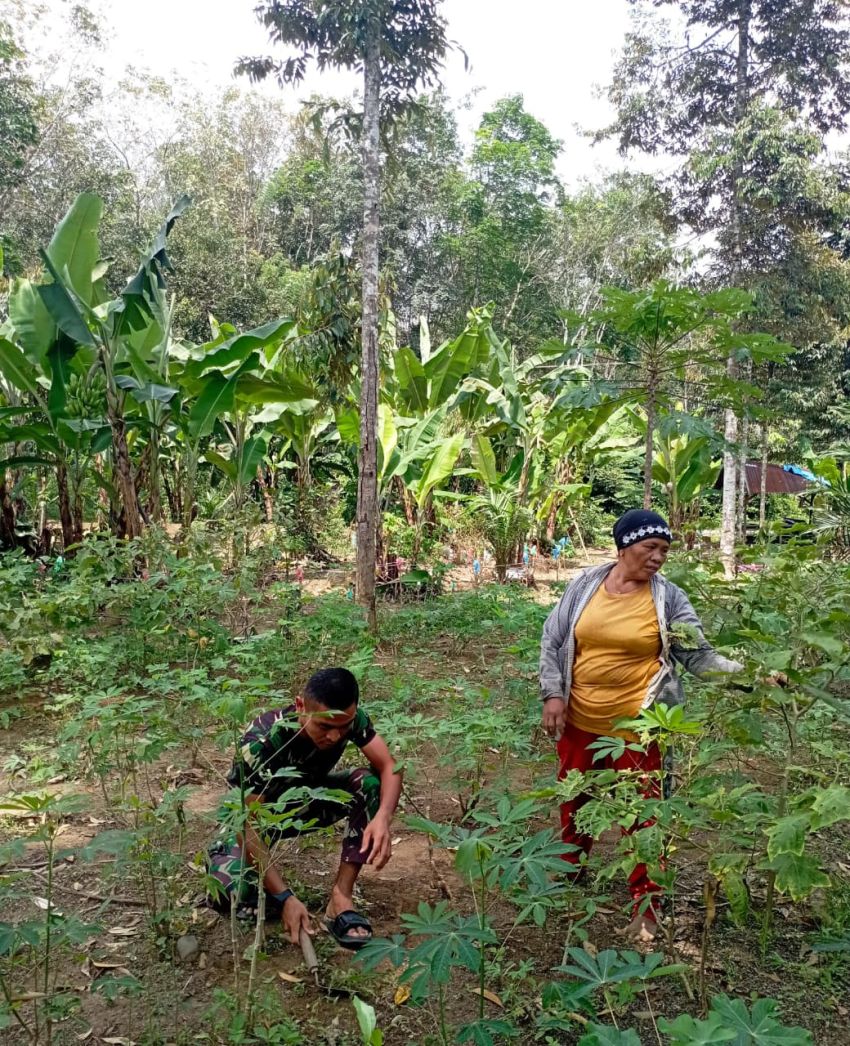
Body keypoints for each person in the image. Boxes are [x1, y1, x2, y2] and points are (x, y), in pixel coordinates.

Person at [539, 509, 744, 940]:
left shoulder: (668, 598)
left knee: (643, 815)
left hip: (640, 725)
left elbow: (698, 655)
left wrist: (750, 677)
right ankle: (569, 871)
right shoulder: (584, 585)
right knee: (575, 800)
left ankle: (647, 905)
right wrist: (553, 693)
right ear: (623, 547)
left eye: (664, 550)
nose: (657, 557)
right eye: (649, 547)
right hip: (581, 718)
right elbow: (554, 638)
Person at [206, 667, 402, 950]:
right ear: (300, 706)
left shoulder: (349, 720)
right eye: (324, 727)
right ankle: (249, 880)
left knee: (369, 783)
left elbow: (390, 767)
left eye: (343, 727)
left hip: (306, 802)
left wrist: (383, 817)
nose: (335, 737)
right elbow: (246, 825)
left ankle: (341, 898)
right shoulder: (263, 742)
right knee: (234, 895)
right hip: (255, 820)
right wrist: (285, 897)